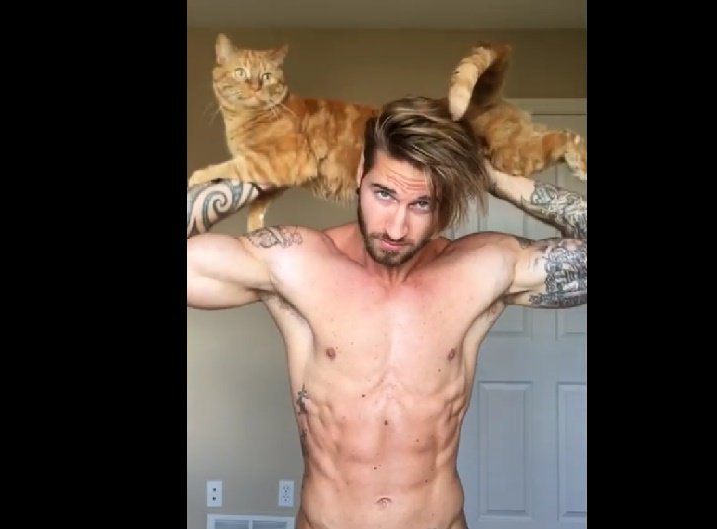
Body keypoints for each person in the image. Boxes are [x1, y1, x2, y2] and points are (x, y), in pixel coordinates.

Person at [186, 96, 586, 529]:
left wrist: (492, 177)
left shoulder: (481, 269)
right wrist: (265, 169)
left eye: (422, 204)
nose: (396, 228)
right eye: (384, 194)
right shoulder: (295, 263)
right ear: (361, 173)